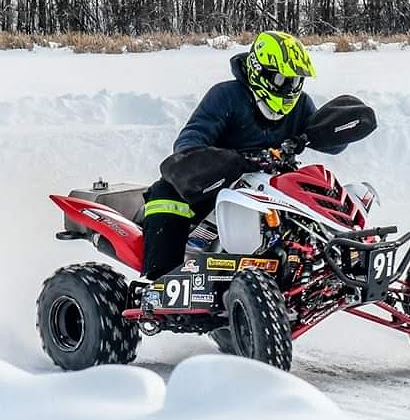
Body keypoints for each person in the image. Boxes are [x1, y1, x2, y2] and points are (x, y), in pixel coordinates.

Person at [141, 30, 347, 279]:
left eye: (295, 81)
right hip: (217, 183)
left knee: (321, 189)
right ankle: (160, 281)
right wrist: (230, 160)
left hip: (274, 186)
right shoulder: (227, 96)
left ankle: (339, 261)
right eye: (282, 79)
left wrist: (321, 134)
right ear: (259, 71)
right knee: (167, 194)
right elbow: (190, 141)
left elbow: (330, 141)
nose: (289, 87)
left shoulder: (300, 103)